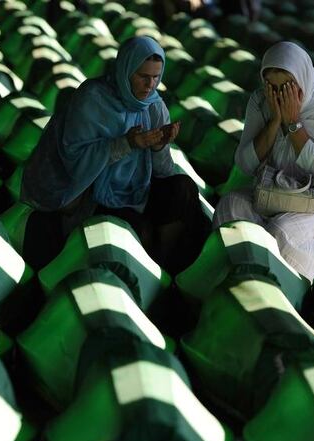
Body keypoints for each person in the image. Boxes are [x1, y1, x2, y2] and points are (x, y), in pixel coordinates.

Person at [20, 36, 209, 275]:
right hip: (93, 193)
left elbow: (162, 172)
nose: (150, 85)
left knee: (183, 188)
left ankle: (167, 271)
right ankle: (145, 277)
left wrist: (159, 146)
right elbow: (76, 162)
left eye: (155, 77)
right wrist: (126, 143)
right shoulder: (93, 98)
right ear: (126, 69)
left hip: (136, 190)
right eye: (143, 76)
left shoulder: (154, 106)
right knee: (136, 231)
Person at [212, 41, 314, 283]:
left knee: (283, 231)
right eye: (272, 87)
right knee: (230, 206)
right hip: (274, 192)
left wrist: (293, 122)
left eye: (287, 86)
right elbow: (245, 163)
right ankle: (240, 279)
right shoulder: (260, 101)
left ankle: (297, 284)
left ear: (303, 79)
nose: (279, 95)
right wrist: (275, 121)